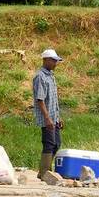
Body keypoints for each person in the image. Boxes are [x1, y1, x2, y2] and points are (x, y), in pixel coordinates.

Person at [32, 48, 63, 180]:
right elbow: (40, 99)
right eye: (53, 61)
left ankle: (45, 171)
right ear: (46, 60)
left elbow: (54, 100)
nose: (55, 63)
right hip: (47, 118)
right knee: (49, 144)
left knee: (57, 143)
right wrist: (47, 118)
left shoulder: (51, 76)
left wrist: (58, 117)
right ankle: (44, 173)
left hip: (53, 117)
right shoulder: (40, 76)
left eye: (56, 61)